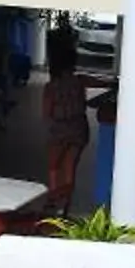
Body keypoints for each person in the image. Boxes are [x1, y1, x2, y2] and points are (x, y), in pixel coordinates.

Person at [43, 21, 92, 205]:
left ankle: (53, 199)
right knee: (70, 167)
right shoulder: (80, 81)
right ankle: (65, 203)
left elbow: (46, 112)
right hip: (79, 128)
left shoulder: (50, 87)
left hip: (59, 130)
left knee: (54, 166)